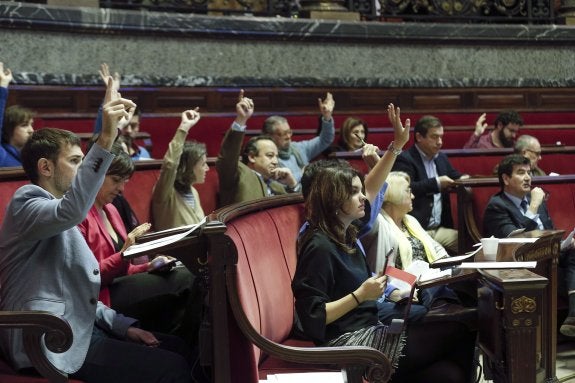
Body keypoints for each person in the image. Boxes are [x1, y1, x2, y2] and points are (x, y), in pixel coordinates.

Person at [0, 81, 194, 382]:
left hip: (81, 329)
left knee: (179, 348)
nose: (85, 169)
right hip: (48, 342)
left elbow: (83, 291)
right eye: (76, 161)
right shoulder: (26, 201)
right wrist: (106, 136)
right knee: (171, 367)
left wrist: (123, 325)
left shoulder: (58, 214)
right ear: (46, 167)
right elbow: (72, 209)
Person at [293, 147, 476, 383]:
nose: (363, 198)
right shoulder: (319, 246)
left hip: (370, 328)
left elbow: (374, 188)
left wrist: (394, 147)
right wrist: (361, 295)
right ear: (334, 199)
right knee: (462, 329)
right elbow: (312, 317)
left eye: (361, 191)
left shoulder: (346, 233)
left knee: (450, 375)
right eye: (354, 192)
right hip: (347, 343)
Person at [78, 141, 199, 341]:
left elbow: (125, 269)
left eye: (124, 181)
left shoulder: (111, 209)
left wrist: (148, 267)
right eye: (116, 180)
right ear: (95, 175)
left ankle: (186, 345)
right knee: (187, 279)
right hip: (99, 298)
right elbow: (88, 278)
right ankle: (197, 349)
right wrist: (124, 254)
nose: (121, 188)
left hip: (119, 284)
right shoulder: (80, 216)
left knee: (186, 270)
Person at [483, 154, 575, 338]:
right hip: (526, 265)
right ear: (506, 179)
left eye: (529, 172)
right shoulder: (497, 206)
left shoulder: (538, 204)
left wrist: (566, 243)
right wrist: (533, 206)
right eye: (520, 172)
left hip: (552, 257)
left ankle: (573, 316)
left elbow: (550, 232)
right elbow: (516, 243)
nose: (528, 177)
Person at [368, 171, 476, 312]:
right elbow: (384, 270)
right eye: (408, 191)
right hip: (403, 282)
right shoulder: (380, 224)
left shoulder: (411, 220)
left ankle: (477, 312)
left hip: (429, 274)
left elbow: (437, 250)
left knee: (469, 274)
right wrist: (417, 277)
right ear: (395, 194)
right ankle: (451, 311)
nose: (413, 196)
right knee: (433, 285)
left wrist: (451, 267)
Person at [392, 115, 468, 254]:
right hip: (415, 228)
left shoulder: (441, 158)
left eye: (441, 137)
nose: (439, 142)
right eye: (434, 137)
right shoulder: (405, 159)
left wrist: (465, 178)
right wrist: (437, 183)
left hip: (439, 229)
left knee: (467, 242)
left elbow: (453, 174)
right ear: (419, 137)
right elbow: (406, 189)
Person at [216, 89, 298, 207]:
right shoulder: (238, 173)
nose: (275, 162)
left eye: (276, 156)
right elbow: (227, 157)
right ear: (252, 156)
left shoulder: (276, 184)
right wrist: (241, 120)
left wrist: (292, 184)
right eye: (270, 156)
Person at [152, 107, 208, 230]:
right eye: (203, 164)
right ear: (188, 166)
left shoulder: (193, 191)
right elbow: (170, 164)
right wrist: (184, 128)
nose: (207, 169)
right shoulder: (166, 193)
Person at [262, 92, 335, 183]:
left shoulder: (299, 148)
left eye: (289, 132)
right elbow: (279, 185)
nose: (288, 136)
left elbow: (325, 139)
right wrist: (303, 173)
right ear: (269, 136)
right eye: (283, 133)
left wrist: (327, 117)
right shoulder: (268, 159)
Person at [0, 62, 34, 167]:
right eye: (24, 125)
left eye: (31, 124)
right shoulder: (2, 155)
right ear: (9, 129)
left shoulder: (33, 156)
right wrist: (3, 85)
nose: (31, 130)